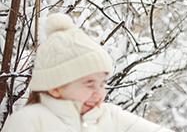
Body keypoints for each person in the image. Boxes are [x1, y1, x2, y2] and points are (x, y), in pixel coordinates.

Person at [1, 13, 174, 132]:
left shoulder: (110, 116)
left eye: (102, 83)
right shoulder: (29, 121)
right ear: (55, 87)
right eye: (89, 84)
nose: (99, 93)